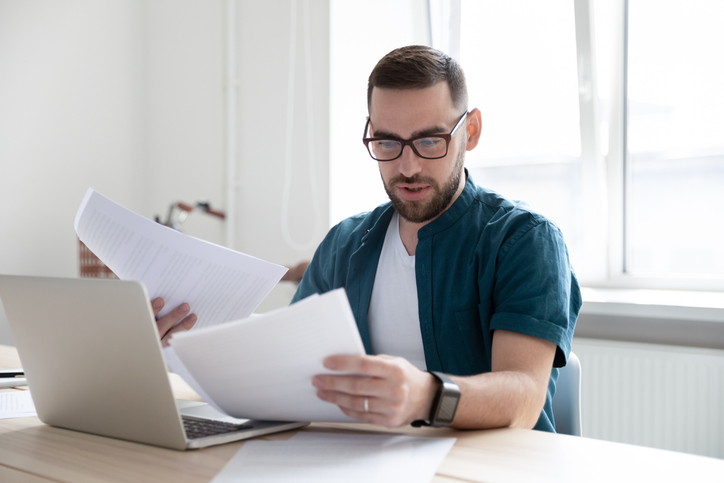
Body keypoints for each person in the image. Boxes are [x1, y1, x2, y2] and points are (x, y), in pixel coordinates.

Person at [155, 45, 581, 432]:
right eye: (387, 142)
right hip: (360, 460)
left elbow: (524, 397)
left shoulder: (524, 240)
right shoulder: (344, 243)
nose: (408, 166)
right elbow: (288, 373)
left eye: (430, 140)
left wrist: (428, 396)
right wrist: (192, 344)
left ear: (470, 132)